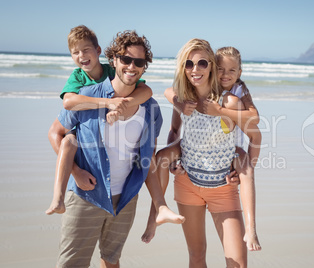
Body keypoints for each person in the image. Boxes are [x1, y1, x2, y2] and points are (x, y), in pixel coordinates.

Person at [50, 30, 184, 267]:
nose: (131, 66)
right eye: (125, 59)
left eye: (138, 62)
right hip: (85, 195)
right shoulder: (87, 96)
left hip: (125, 199)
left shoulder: (151, 110)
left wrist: (159, 205)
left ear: (144, 67)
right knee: (72, 263)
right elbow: (57, 134)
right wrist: (75, 172)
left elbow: (148, 160)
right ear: (113, 60)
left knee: (111, 260)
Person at [142, 46, 262, 253]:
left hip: (226, 162)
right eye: (189, 64)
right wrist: (174, 161)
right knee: (160, 157)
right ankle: (156, 214)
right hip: (189, 165)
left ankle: (251, 229)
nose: (225, 75)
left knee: (247, 170)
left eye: (202, 63)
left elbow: (255, 128)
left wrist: (220, 111)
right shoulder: (185, 96)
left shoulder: (234, 97)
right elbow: (174, 126)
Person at [46, 25, 153, 215]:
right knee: (68, 142)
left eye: (86, 50)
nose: (81, 56)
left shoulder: (111, 72)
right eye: (75, 53)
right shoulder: (78, 76)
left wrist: (123, 105)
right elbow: (69, 102)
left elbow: (145, 90)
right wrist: (108, 103)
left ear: (98, 51)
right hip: (80, 126)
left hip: (103, 127)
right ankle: (57, 198)